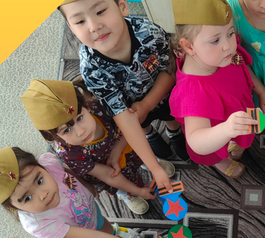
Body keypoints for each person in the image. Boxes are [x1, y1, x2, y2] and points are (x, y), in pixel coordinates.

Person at [58, 0, 189, 194]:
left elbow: (170, 70)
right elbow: (124, 118)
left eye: (100, 11)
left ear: (122, 6)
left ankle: (174, 132)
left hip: (163, 93)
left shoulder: (149, 32)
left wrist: (147, 104)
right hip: (132, 112)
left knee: (171, 116)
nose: (93, 26)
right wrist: (155, 168)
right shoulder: (91, 69)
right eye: (79, 21)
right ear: (71, 28)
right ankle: (150, 134)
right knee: (141, 123)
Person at [21, 77, 174, 215]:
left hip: (127, 147)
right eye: (66, 130)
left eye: (80, 118)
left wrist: (118, 150)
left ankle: (149, 163)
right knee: (119, 185)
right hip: (107, 172)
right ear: (53, 135)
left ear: (86, 106)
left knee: (139, 153)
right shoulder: (69, 153)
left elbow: (129, 128)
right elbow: (108, 175)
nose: (80, 132)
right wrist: (138, 191)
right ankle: (127, 195)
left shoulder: (100, 107)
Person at [169, 0, 265, 178]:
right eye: (215, 40)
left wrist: (259, 89)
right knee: (216, 150)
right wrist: (226, 130)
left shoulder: (222, 54)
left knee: (239, 135)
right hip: (215, 132)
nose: (228, 45)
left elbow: (242, 68)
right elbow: (197, 140)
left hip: (237, 113)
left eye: (230, 33)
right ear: (189, 46)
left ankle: (235, 140)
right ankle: (221, 161)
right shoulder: (192, 91)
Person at [0, 147, 164, 238]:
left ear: (40, 166)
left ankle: (115, 235)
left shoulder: (48, 164)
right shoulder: (39, 224)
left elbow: (65, 171)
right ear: (12, 207)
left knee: (103, 225)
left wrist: (84, 183)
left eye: (39, 180)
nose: (43, 194)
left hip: (88, 210)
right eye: (27, 198)